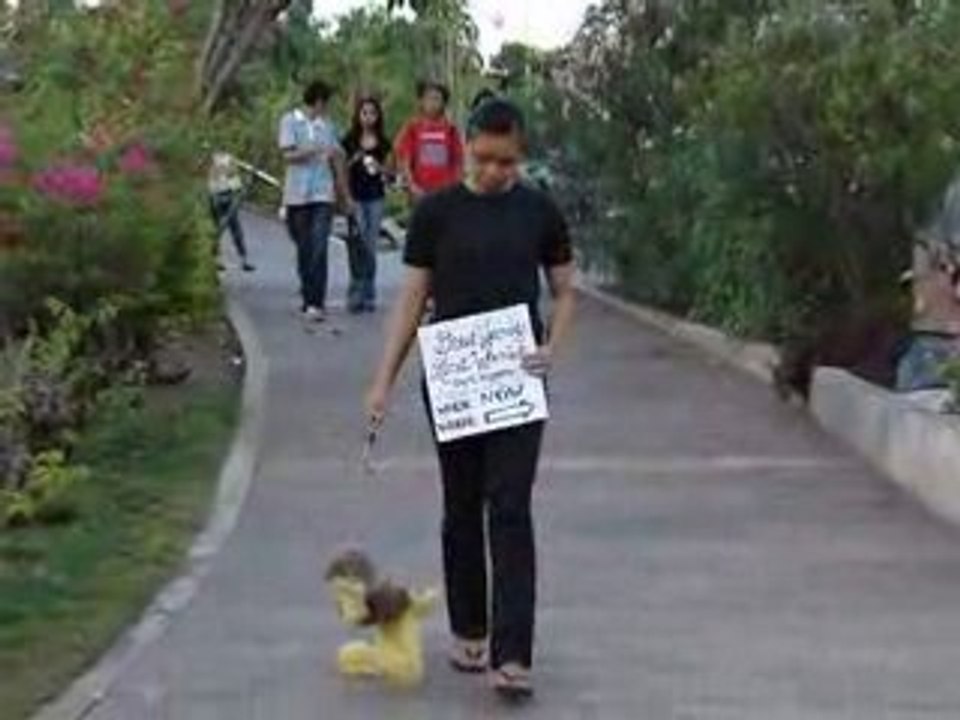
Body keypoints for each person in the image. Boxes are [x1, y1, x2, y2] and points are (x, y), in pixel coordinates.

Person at [366, 99, 576, 700]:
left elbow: (564, 291)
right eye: (484, 159)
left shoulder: (540, 212)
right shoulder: (436, 214)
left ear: (522, 154)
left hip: (517, 383)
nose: (494, 172)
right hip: (454, 383)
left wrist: (551, 348)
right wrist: (383, 380)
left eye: (506, 162)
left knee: (509, 508)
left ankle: (512, 655)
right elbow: (411, 301)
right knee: (461, 506)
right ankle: (469, 628)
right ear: (467, 146)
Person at [279, 79, 352, 323]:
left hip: (323, 193)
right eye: (325, 103)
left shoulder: (327, 126)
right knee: (304, 247)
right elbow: (288, 155)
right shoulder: (290, 121)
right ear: (318, 101)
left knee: (320, 246)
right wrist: (310, 150)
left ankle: (315, 301)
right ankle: (307, 289)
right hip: (297, 195)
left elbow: (337, 158)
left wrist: (344, 194)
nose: (326, 108)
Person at [341, 96, 392, 314]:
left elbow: (391, 173)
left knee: (370, 245)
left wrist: (381, 168)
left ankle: (368, 293)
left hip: (375, 197)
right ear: (358, 115)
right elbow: (340, 169)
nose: (368, 117)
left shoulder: (383, 142)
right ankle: (355, 291)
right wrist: (345, 197)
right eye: (364, 113)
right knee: (357, 244)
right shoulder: (349, 140)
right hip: (356, 196)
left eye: (372, 113)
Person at [394, 80, 463, 204]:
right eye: (429, 98)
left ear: (443, 103)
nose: (432, 103)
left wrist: (455, 187)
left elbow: (458, 161)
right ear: (421, 101)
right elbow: (404, 159)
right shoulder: (412, 128)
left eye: (437, 99)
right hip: (419, 192)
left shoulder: (451, 129)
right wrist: (412, 186)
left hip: (445, 193)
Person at [207, 150, 254, 272]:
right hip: (215, 194)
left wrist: (240, 187)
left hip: (229, 193)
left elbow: (233, 174)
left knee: (235, 228)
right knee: (217, 228)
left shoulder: (230, 157)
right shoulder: (210, 156)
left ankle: (244, 260)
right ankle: (215, 260)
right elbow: (211, 174)